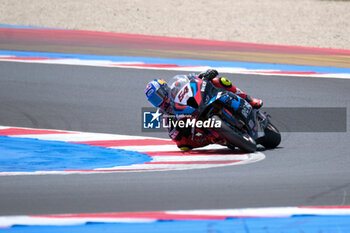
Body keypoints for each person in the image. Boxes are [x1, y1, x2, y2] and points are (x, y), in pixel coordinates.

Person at [144, 69, 263, 151]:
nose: (159, 101)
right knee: (183, 145)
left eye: (158, 95)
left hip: (201, 101)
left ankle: (249, 99)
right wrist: (178, 128)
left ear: (165, 88)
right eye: (154, 100)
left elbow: (191, 79)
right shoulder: (164, 115)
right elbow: (174, 136)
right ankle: (217, 137)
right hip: (195, 122)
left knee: (219, 81)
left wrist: (204, 75)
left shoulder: (176, 85)